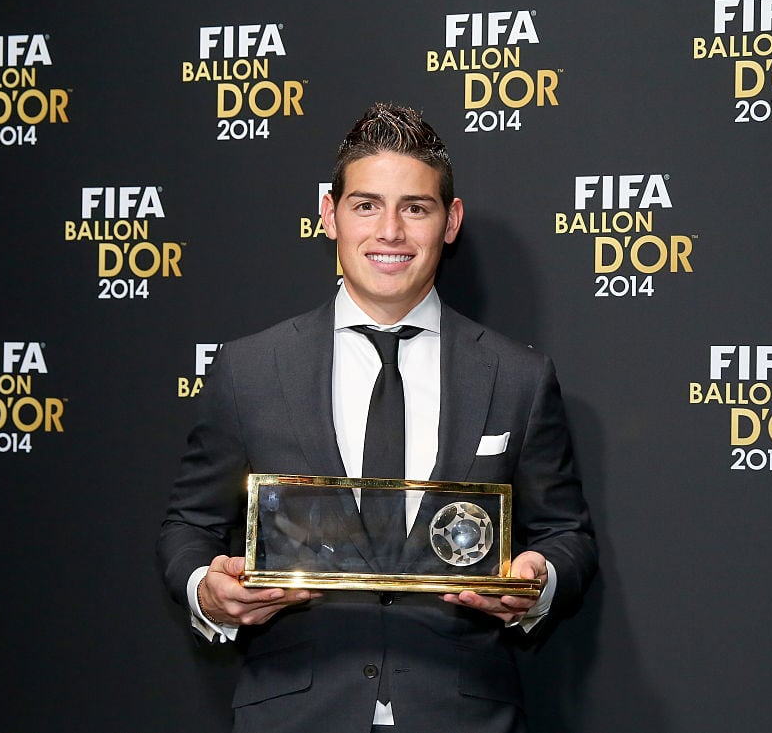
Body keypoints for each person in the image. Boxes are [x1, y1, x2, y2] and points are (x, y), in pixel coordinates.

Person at [158, 103, 597, 733]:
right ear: (328, 215)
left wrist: (539, 580)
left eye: (415, 207)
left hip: (466, 714)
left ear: (451, 222)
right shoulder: (248, 369)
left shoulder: (518, 378)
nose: (389, 230)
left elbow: (567, 535)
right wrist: (207, 589)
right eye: (366, 205)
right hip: (295, 712)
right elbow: (187, 524)